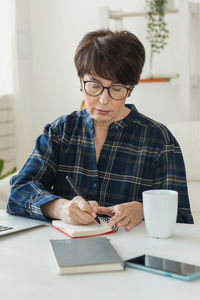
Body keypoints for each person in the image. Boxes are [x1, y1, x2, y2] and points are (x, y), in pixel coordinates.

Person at [7, 29, 193, 230]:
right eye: (94, 86)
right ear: (80, 82)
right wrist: (59, 208)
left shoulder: (159, 141)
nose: (104, 100)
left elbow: (183, 219)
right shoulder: (60, 132)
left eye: (117, 89)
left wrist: (143, 210)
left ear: (130, 90)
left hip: (134, 253)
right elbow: (18, 192)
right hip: (63, 250)